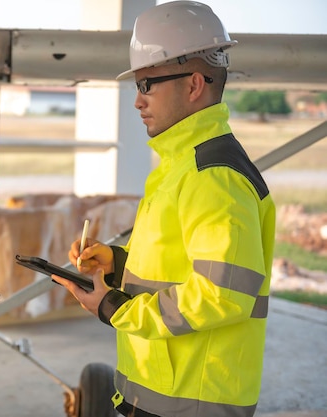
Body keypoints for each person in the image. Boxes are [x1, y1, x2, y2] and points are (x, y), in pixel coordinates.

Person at [51, 2, 276, 417]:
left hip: (193, 401)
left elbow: (221, 296)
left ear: (193, 85)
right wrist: (117, 264)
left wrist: (112, 306)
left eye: (147, 85)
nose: (137, 101)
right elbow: (181, 268)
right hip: (165, 393)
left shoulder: (214, 178)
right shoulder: (183, 165)